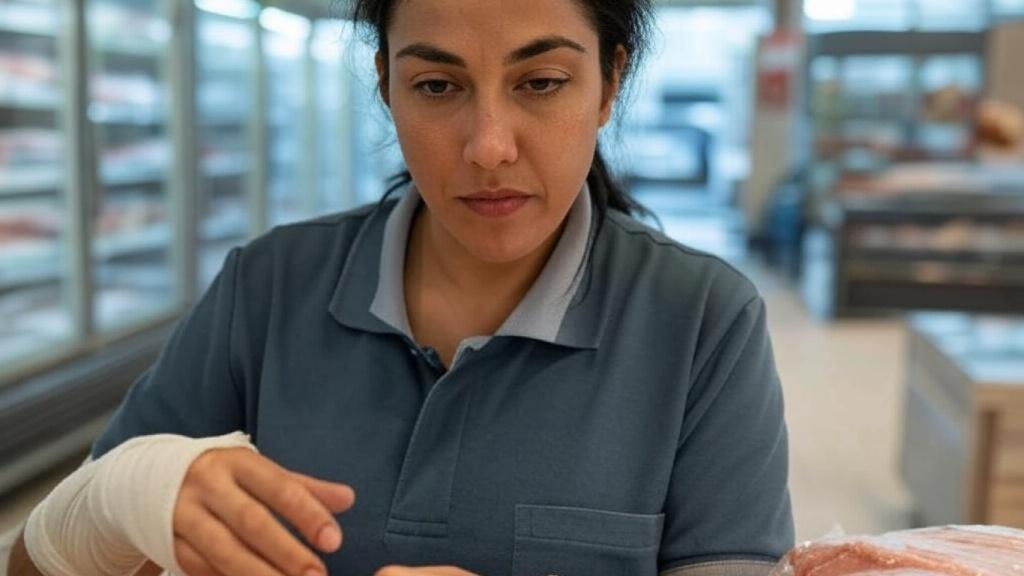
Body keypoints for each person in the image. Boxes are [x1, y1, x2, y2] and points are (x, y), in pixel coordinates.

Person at [8, 0, 794, 574]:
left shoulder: (702, 322)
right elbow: (39, 560)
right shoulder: (270, 288)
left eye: (542, 81)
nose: (488, 148)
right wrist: (124, 501)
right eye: (437, 88)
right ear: (386, 84)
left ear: (609, 82)